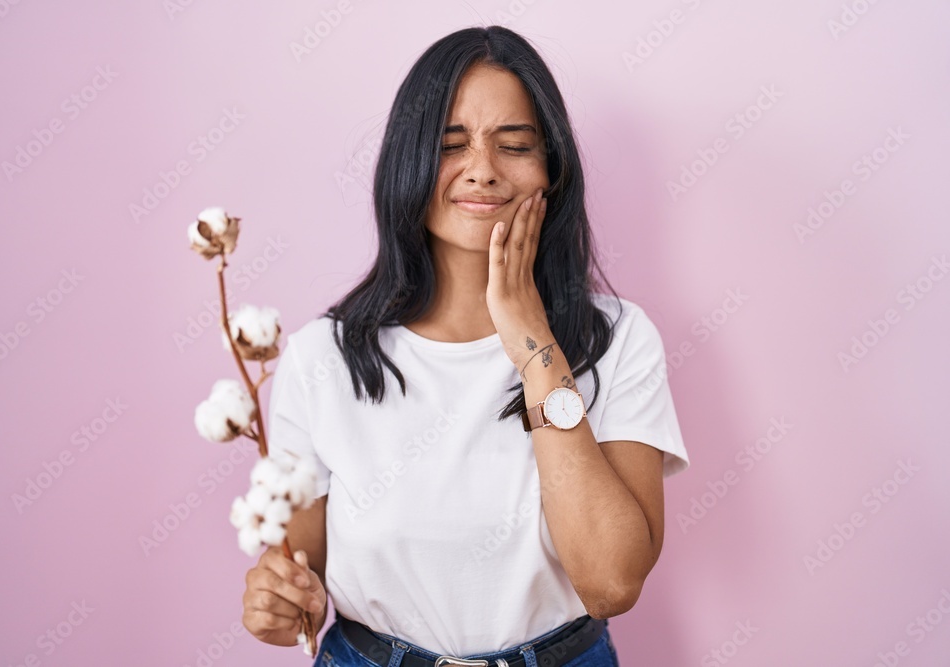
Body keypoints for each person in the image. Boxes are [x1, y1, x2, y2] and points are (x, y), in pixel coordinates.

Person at [241, 24, 689, 667]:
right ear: (407, 165)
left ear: (551, 171)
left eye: (514, 145)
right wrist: (277, 599)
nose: (482, 170)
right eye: (451, 145)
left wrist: (535, 344)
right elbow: (299, 581)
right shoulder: (323, 358)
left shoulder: (617, 340)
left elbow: (611, 582)